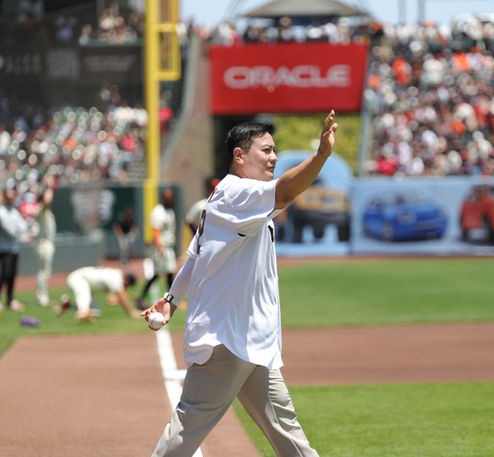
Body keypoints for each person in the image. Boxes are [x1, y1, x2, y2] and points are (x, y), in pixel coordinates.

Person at [141, 109, 338, 457]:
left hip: (253, 344)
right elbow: (286, 192)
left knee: (289, 436)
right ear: (240, 155)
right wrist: (321, 155)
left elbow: (195, 255)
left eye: (275, 150)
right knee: (184, 432)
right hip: (226, 342)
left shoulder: (233, 197)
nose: (273, 157)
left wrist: (171, 299)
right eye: (266, 150)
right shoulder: (237, 193)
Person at [137, 188, 176, 309]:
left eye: (171, 198)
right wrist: (159, 246)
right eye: (167, 198)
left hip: (168, 246)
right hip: (161, 247)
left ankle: (170, 299)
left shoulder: (170, 211)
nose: (169, 200)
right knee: (158, 274)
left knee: (169, 273)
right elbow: (155, 230)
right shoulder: (158, 211)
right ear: (163, 198)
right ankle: (142, 297)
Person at [0, 187, 28, 312]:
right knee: (4, 274)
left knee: (12, 275)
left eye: (13, 197)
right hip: (3, 248)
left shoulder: (14, 211)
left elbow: (24, 226)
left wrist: (19, 230)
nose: (11, 199)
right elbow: (9, 230)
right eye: (9, 197)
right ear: (5, 198)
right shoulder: (0, 211)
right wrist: (18, 231)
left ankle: (10, 299)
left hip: (14, 248)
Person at [59, 266, 140, 322]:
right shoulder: (116, 277)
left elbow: (112, 300)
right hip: (79, 278)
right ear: (126, 280)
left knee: (96, 312)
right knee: (84, 303)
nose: (126, 287)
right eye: (127, 285)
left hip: (82, 281)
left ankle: (69, 305)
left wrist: (132, 298)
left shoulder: (115, 275)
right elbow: (121, 296)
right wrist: (131, 312)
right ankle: (82, 313)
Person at [35, 187, 57, 307]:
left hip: (47, 242)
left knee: (45, 272)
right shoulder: (42, 209)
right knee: (44, 272)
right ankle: (42, 298)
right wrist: (47, 193)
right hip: (44, 243)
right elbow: (45, 204)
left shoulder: (47, 211)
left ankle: (43, 296)